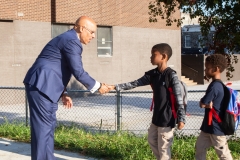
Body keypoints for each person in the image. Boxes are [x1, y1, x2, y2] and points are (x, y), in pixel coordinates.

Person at [23, 16, 109, 160]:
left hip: (47, 86)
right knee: (42, 130)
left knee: (48, 128)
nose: (93, 36)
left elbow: (59, 67)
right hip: (41, 85)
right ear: (81, 29)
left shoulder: (69, 39)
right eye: (92, 32)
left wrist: (64, 92)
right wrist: (98, 86)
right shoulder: (71, 41)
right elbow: (78, 71)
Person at [108, 43, 185, 160]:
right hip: (156, 118)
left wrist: (181, 118)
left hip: (167, 118)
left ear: (163, 57)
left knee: (164, 148)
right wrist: (114, 87)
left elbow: (179, 98)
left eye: (154, 54)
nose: (151, 57)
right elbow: (134, 83)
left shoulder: (171, 75)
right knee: (151, 140)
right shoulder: (152, 75)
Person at [195, 54, 233, 160]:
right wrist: (204, 104)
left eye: (207, 67)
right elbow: (205, 104)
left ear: (216, 69)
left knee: (223, 154)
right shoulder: (219, 85)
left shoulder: (214, 86)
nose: (205, 70)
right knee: (200, 148)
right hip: (208, 127)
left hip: (216, 128)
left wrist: (203, 103)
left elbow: (203, 103)